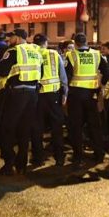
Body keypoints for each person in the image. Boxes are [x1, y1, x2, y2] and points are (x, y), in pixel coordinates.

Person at [0, 28, 43, 175]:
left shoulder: (14, 51)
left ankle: (8, 164)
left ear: (18, 37)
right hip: (32, 93)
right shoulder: (35, 51)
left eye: (12, 37)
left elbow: (1, 70)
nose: (9, 40)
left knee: (7, 128)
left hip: (17, 93)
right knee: (24, 129)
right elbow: (41, 69)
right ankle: (22, 164)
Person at [65, 32, 109, 164]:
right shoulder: (96, 54)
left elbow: (67, 76)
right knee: (94, 125)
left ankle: (78, 157)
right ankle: (99, 154)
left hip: (76, 95)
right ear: (87, 42)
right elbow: (106, 71)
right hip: (92, 94)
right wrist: (101, 85)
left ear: (75, 43)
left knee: (76, 126)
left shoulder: (71, 55)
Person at [31, 33, 68, 166]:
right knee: (56, 128)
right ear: (45, 42)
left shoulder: (30, 54)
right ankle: (59, 158)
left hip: (36, 96)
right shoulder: (54, 54)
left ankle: (38, 158)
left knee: (37, 128)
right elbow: (63, 77)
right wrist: (65, 94)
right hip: (53, 95)